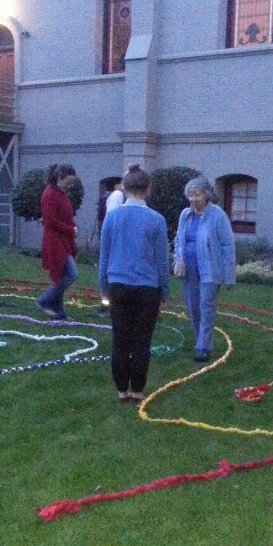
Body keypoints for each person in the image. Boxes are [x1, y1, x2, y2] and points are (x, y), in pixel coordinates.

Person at [99, 165, 169, 403]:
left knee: (120, 339)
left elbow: (104, 256)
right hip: (147, 289)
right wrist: (164, 291)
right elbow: (161, 261)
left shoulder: (112, 217)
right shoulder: (157, 220)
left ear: (124, 188)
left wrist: (103, 286)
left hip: (118, 285)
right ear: (148, 189)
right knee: (142, 341)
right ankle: (137, 390)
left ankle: (122, 390)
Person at [173, 175, 235, 363]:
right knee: (193, 307)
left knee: (205, 305)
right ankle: (200, 338)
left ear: (206, 195)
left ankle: (203, 346)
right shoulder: (185, 215)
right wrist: (177, 259)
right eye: (190, 195)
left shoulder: (218, 215)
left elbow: (227, 245)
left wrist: (229, 275)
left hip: (210, 268)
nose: (193, 199)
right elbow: (178, 240)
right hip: (189, 268)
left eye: (197, 195)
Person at [35, 163, 79, 320]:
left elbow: (67, 216)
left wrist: (74, 226)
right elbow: (50, 222)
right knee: (71, 274)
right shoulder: (49, 194)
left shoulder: (62, 193)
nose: (70, 186)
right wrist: (70, 230)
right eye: (68, 183)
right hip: (55, 242)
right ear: (59, 178)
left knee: (62, 275)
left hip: (64, 240)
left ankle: (59, 311)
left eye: (72, 183)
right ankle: (43, 300)